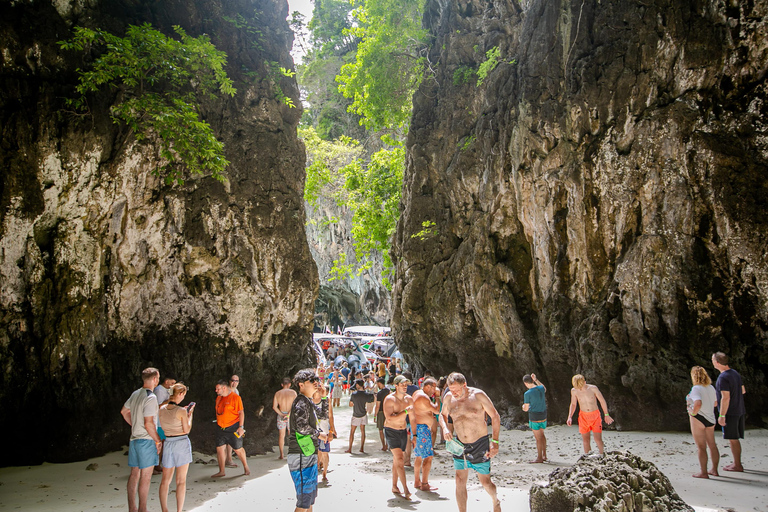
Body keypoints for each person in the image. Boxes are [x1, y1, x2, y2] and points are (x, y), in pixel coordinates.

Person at [439, 372, 501, 512]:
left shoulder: (478, 396)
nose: (453, 392)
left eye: (456, 389)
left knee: (485, 482)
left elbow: (495, 416)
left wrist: (495, 441)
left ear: (464, 385)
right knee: (460, 480)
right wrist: (444, 429)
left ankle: (495, 500)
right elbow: (442, 415)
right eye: (450, 388)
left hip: (480, 443)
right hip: (460, 445)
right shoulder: (448, 397)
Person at [120, 367, 161, 512]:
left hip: (134, 440)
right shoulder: (151, 397)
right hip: (146, 440)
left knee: (134, 474)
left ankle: (132, 508)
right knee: (146, 477)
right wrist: (158, 440)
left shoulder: (135, 394)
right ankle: (143, 509)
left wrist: (134, 424)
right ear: (155, 379)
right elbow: (149, 423)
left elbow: (124, 412)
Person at [287, 369, 328, 512]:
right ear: (301, 384)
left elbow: (322, 415)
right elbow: (301, 427)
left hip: (308, 453)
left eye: (317, 380)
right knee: (303, 502)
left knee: (309, 499)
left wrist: (323, 398)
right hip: (300, 455)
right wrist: (319, 435)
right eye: (311, 381)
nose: (316, 383)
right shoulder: (300, 402)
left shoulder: (307, 402)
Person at [158, 383, 195, 512]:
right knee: (181, 481)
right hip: (181, 443)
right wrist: (190, 416)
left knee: (165, 481)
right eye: (183, 395)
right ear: (180, 394)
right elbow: (187, 429)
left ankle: (164, 509)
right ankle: (179, 510)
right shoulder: (181, 411)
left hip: (168, 443)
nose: (183, 398)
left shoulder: (161, 409)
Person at [712, 352, 746, 472]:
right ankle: (737, 463)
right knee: (734, 438)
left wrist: (722, 415)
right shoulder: (735, 373)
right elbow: (743, 390)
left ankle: (737, 465)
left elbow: (725, 397)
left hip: (730, 412)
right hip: (740, 409)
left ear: (717, 362)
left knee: (733, 439)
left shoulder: (723, 377)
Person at [566, 374, 614, 454]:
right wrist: (569, 416)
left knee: (597, 439)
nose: (580, 389)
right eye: (578, 387)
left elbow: (602, 401)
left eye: (581, 387)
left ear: (584, 382)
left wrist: (606, 415)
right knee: (586, 440)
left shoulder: (593, 388)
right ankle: (588, 457)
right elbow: (573, 404)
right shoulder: (574, 390)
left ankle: (602, 455)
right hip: (583, 416)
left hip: (595, 415)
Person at [384, 375, 414, 499]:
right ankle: (406, 489)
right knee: (400, 459)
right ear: (396, 386)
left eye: (406, 384)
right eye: (402, 384)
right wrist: (405, 412)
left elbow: (413, 418)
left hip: (402, 431)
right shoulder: (390, 399)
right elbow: (389, 418)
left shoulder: (409, 399)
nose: (405, 386)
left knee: (397, 460)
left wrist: (415, 435)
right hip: (391, 431)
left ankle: (394, 486)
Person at [212, 379, 250, 477]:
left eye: (218, 389)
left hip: (233, 427)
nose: (216, 391)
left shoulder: (235, 398)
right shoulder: (218, 398)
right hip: (220, 427)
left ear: (224, 388)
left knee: (238, 449)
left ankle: (246, 467)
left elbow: (241, 412)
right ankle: (222, 471)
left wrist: (241, 427)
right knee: (220, 449)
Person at [687, 366, 719, 478]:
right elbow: (715, 403)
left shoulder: (696, 388)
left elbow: (698, 403)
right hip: (711, 419)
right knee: (712, 445)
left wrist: (693, 413)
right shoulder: (711, 388)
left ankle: (703, 472)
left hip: (699, 418)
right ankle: (714, 470)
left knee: (701, 447)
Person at [412, 377, 440, 491]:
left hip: (418, 428)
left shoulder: (417, 393)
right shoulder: (423, 397)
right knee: (428, 456)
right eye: (434, 388)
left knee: (419, 456)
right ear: (428, 386)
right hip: (422, 429)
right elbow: (437, 410)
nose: (435, 390)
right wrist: (437, 397)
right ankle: (424, 483)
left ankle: (417, 481)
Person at [313, 381, 336, 482]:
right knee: (317, 452)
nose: (318, 389)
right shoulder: (309, 400)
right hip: (313, 431)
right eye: (316, 387)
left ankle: (324, 473)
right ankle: (318, 467)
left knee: (325, 452)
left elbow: (330, 416)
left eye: (320, 387)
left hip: (325, 430)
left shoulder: (326, 400)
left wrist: (331, 431)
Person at [152, 375, 176, 474]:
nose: (173, 385)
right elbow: (158, 406)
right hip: (158, 421)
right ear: (166, 381)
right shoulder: (159, 390)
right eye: (172, 383)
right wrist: (171, 399)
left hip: (163, 421)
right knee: (159, 443)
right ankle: (155, 465)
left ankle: (157, 463)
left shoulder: (165, 390)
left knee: (162, 442)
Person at [522, 373, 547, 463]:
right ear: (532, 380)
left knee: (538, 438)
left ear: (525, 383)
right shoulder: (540, 388)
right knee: (542, 435)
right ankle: (544, 455)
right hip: (543, 415)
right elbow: (543, 387)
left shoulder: (527, 393)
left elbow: (526, 408)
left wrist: (523, 407)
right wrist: (536, 379)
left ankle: (539, 458)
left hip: (534, 416)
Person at [273, 377, 298, 460]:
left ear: (282, 384)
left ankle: (281, 454)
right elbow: (295, 405)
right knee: (291, 434)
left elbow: (274, 407)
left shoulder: (277, 393)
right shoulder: (293, 393)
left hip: (281, 414)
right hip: (291, 415)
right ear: (290, 384)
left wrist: (281, 414)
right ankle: (292, 452)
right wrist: (289, 414)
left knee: (281, 435)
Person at [346, 379, 374, 453]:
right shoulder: (366, 394)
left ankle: (350, 449)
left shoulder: (354, 394)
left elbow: (350, 404)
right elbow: (371, 401)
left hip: (356, 414)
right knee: (363, 431)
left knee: (352, 432)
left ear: (358, 385)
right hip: (363, 414)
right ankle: (361, 448)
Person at [224, 374, 241, 468]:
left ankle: (228, 459)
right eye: (233, 380)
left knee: (230, 439)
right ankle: (228, 460)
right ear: (229, 381)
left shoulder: (236, 391)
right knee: (228, 439)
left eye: (236, 381)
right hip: (227, 419)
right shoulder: (226, 391)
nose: (234, 383)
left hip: (234, 418)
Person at [374, 377, 391, 451]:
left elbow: (377, 406)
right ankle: (388, 444)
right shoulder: (389, 391)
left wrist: (375, 416)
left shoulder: (379, 393)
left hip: (381, 412)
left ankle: (384, 445)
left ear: (379, 383)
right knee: (388, 429)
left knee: (381, 430)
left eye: (377, 384)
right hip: (389, 411)